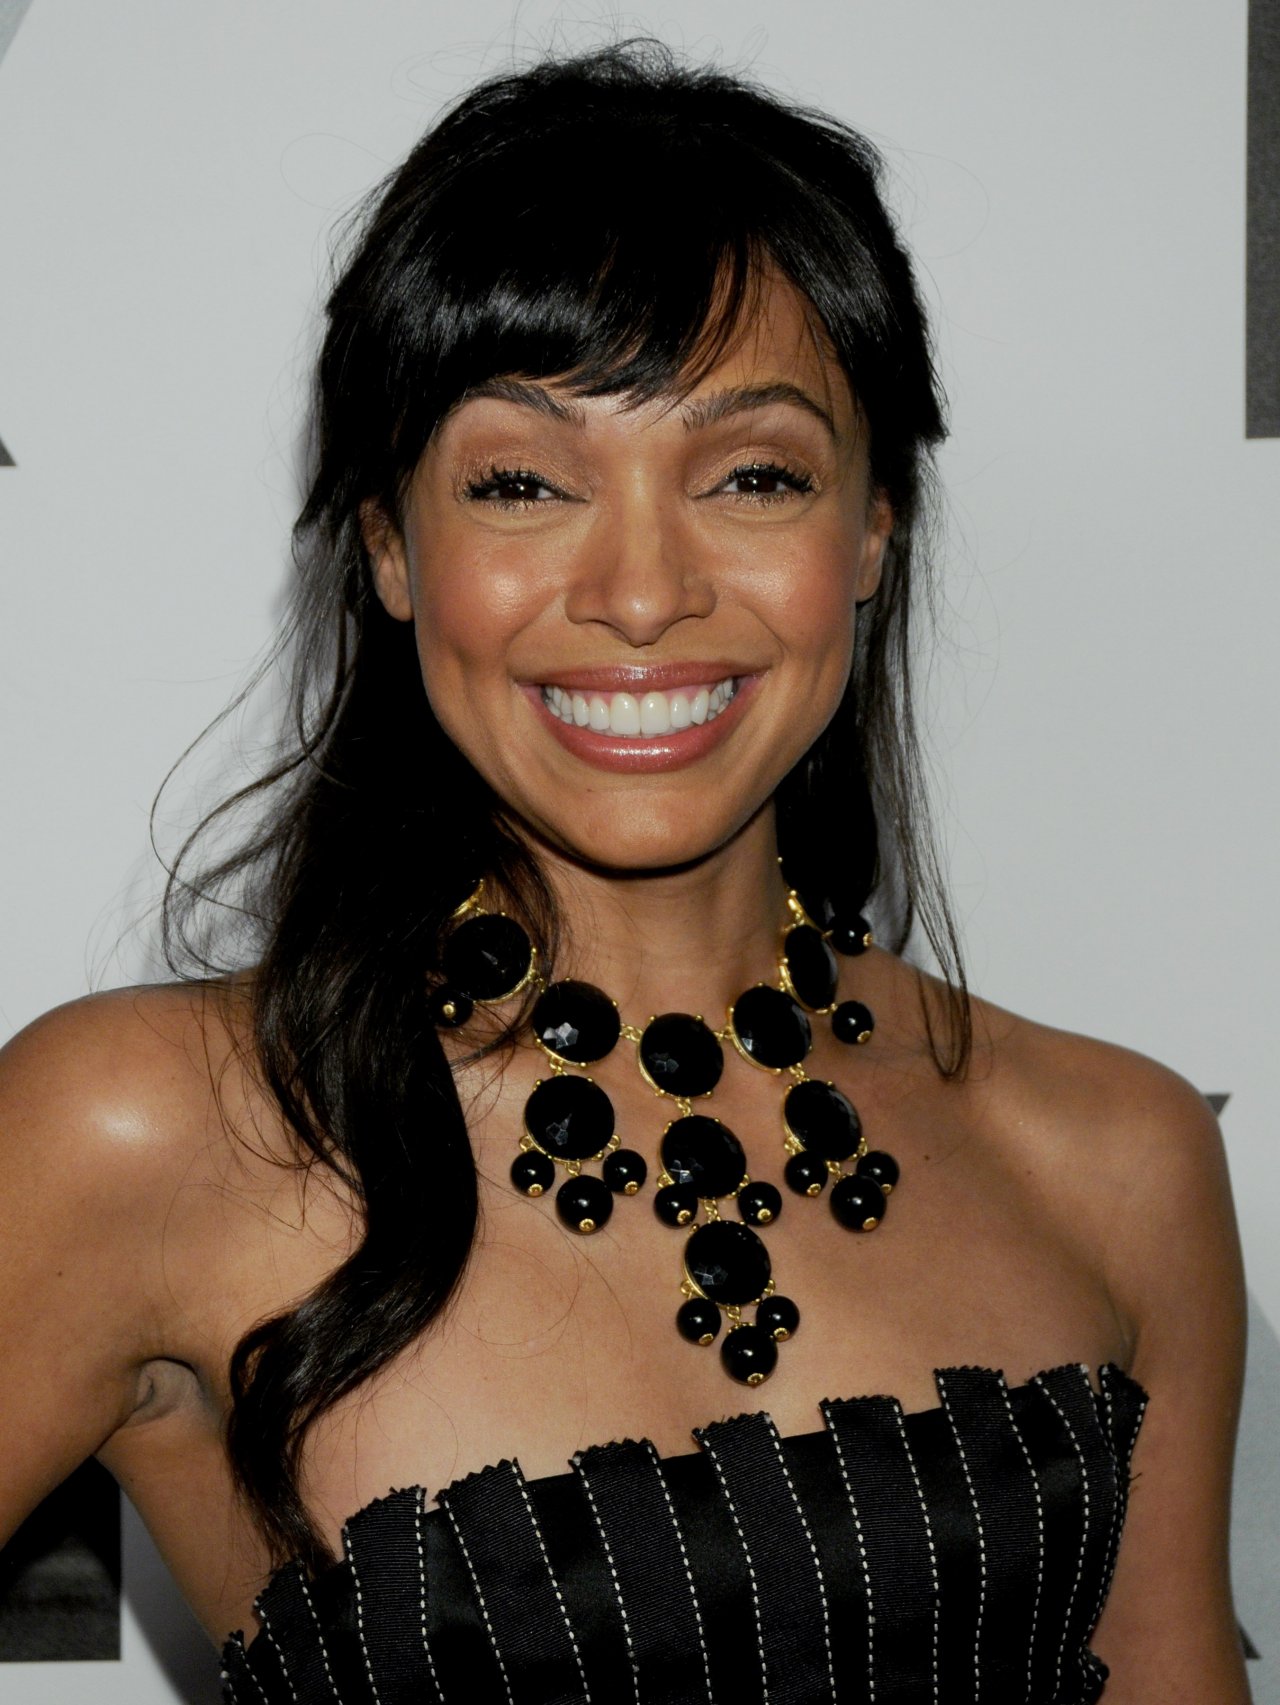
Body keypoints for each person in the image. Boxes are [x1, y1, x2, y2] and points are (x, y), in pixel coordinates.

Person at [0, 39, 1250, 1704]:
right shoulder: (147, 1133)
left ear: (873, 529)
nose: (644, 591)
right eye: (523, 482)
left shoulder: (1118, 1159)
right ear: (388, 543)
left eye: (754, 476)